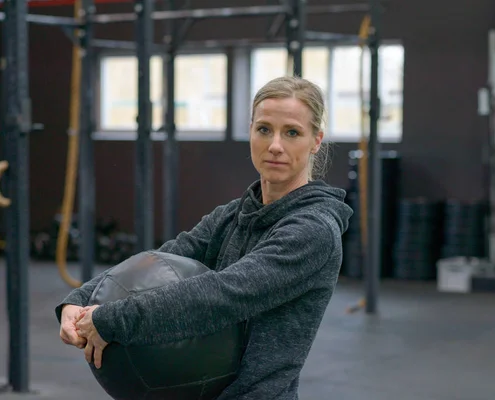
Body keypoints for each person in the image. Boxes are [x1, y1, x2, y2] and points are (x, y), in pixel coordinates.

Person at [55, 75, 354, 399]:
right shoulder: (234, 215)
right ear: (251, 132)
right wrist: (83, 299)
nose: (275, 145)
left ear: (316, 140)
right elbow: (161, 258)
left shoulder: (314, 231)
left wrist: (109, 318)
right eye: (264, 129)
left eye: (292, 132)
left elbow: (224, 293)